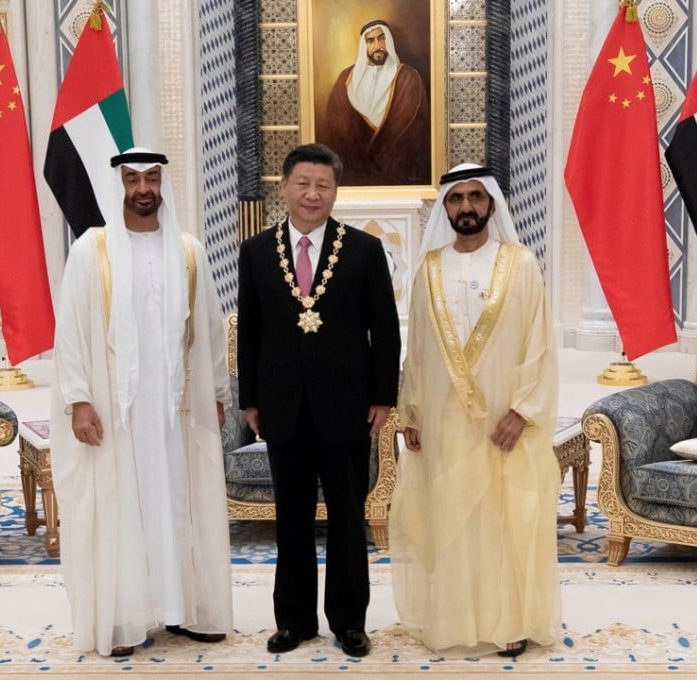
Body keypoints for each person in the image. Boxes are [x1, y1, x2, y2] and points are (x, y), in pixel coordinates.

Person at [50, 148, 233, 657]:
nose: (143, 189)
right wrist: (78, 400)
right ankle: (123, 619)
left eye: (152, 179)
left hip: (177, 409)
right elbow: (70, 331)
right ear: (120, 186)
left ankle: (187, 610)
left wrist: (217, 393)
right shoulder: (91, 251)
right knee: (122, 508)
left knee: (181, 504)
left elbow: (210, 331)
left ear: (162, 184)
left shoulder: (189, 251)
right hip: (117, 409)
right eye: (133, 180)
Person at [390, 163, 561, 657]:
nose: (466, 206)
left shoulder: (520, 264)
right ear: (445, 207)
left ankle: (509, 621)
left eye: (475, 197)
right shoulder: (430, 269)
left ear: (490, 203)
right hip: (444, 422)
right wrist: (411, 412)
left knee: (504, 519)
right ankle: (453, 620)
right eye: (456, 198)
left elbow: (539, 344)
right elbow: (418, 349)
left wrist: (523, 411)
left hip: (504, 423)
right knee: (451, 518)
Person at [237, 143, 401, 657]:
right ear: (284, 187)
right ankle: (294, 621)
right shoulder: (256, 251)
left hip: (348, 406)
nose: (312, 194)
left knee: (348, 519)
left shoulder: (365, 250)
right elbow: (250, 331)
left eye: (323, 186)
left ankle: (349, 622)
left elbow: (385, 330)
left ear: (334, 192)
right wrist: (250, 400)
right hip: (282, 405)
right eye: (303, 184)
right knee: (292, 518)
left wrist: (384, 396)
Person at [319, 19, 430, 186]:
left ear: (389, 41)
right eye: (370, 40)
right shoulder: (346, 79)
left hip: (398, 175)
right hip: (354, 176)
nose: (378, 45)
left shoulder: (408, 77)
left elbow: (415, 131)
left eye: (382, 38)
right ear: (364, 46)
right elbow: (336, 131)